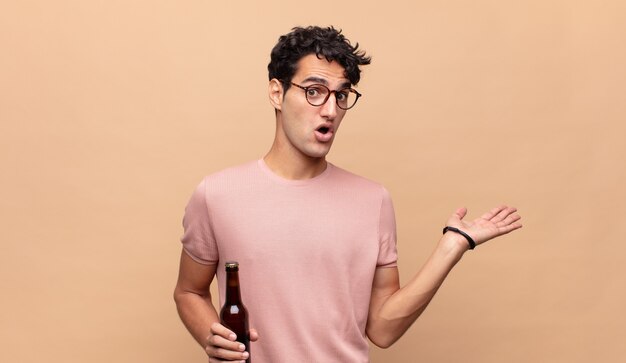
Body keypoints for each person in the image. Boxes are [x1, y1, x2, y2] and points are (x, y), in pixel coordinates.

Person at [173, 26, 522, 363]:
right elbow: (189, 291)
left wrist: (453, 246)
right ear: (276, 93)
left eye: (340, 95)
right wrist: (211, 336)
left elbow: (383, 330)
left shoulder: (373, 201)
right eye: (314, 91)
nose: (330, 110)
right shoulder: (217, 194)